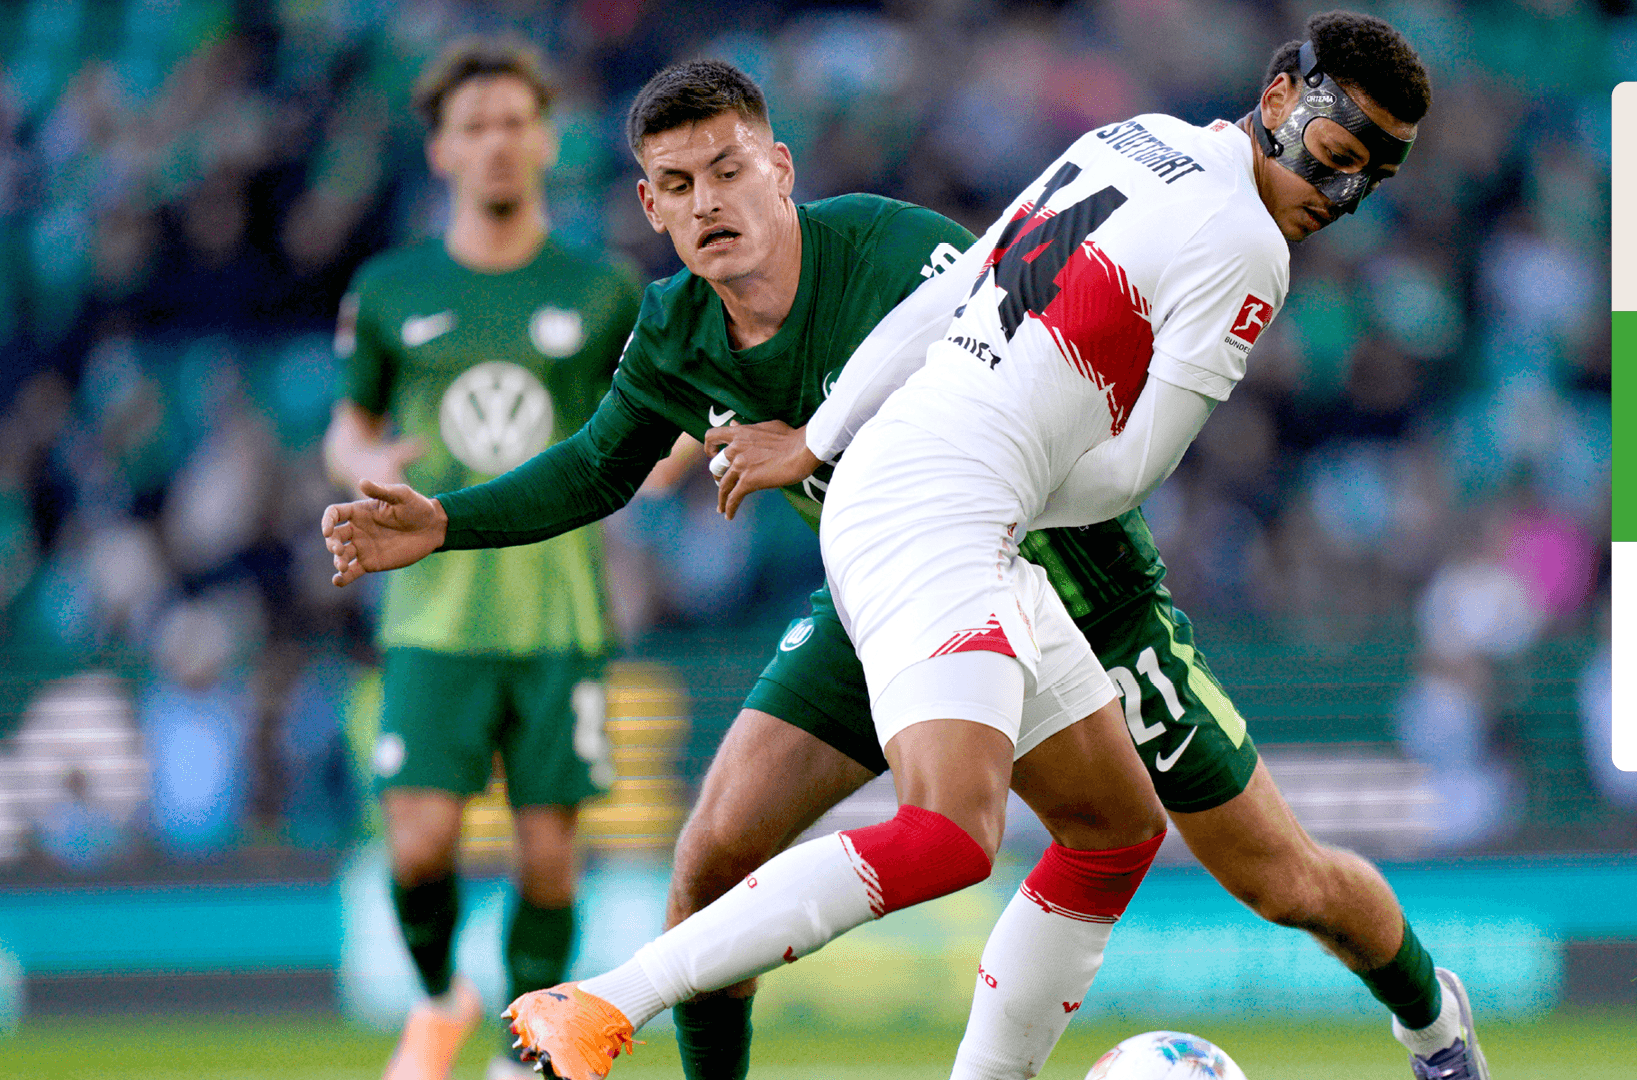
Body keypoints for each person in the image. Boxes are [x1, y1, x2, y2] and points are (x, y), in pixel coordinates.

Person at [325, 18, 1480, 1080]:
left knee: (1193, 853)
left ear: (781, 169)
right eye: (680, 186)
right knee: (782, 846)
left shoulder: (907, 238)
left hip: (1050, 566)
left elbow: (972, 312)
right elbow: (598, 465)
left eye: (728, 170)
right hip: (927, 545)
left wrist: (834, 443)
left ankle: (1435, 1025)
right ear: (651, 207)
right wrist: (452, 519)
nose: (1342, 189)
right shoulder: (678, 330)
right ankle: (604, 1009)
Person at [321, 39, 642, 1080]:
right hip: (433, 615)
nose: (498, 143)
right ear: (442, 151)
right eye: (475, 126)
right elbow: (348, 425)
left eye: (515, 122)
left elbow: (652, 421)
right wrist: (364, 462)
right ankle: (436, 998)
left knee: (549, 858)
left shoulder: (602, 288)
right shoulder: (389, 287)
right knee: (417, 845)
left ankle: (522, 1052)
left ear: (547, 140)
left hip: (558, 613)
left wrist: (673, 459)